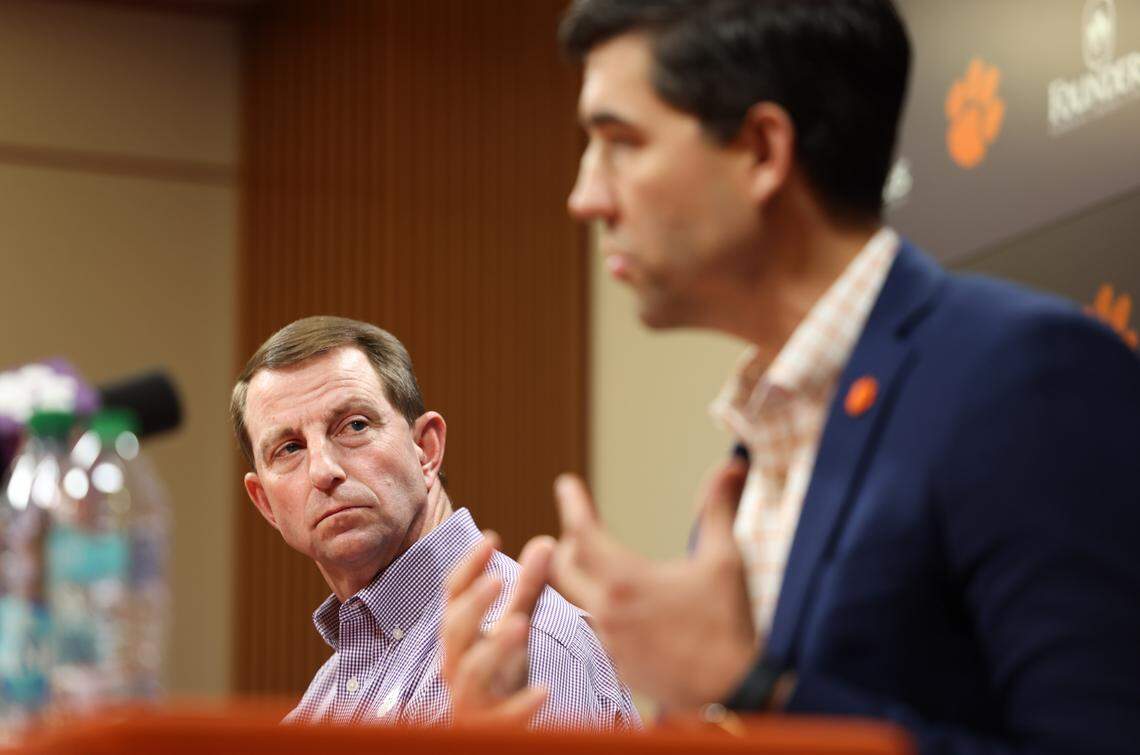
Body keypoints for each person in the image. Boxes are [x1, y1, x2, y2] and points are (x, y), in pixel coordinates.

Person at [442, 1, 1140, 752]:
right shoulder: (761, 438)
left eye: (620, 142)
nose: (586, 197)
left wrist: (751, 689)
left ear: (762, 151)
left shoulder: (1026, 374)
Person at [231, 315, 638, 729]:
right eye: (289, 448)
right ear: (265, 504)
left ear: (425, 449)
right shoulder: (323, 698)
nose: (323, 470)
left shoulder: (520, 648)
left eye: (354, 425)